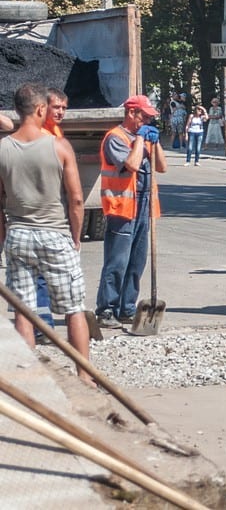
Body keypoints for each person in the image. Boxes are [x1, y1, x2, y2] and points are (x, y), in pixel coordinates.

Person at [0, 83, 92, 383]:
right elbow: (76, 199)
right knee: (73, 308)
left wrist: (4, 236)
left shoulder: (2, 148)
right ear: (41, 109)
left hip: (18, 233)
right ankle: (84, 374)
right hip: (54, 233)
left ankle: (29, 375)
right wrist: (75, 237)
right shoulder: (59, 147)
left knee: (23, 309)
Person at [94, 95, 167, 328]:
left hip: (143, 207)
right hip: (122, 209)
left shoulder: (143, 138)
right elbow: (132, 165)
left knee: (136, 262)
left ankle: (126, 307)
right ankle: (106, 309)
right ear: (131, 113)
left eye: (149, 118)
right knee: (117, 262)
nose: (147, 121)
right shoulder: (115, 138)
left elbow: (162, 167)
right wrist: (139, 140)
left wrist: (155, 143)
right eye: (144, 116)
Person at [33, 87, 69, 342]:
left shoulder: (55, 133)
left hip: (53, 211)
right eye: (56, 107)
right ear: (42, 108)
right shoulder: (37, 137)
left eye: (64, 108)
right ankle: (42, 327)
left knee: (47, 274)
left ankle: (42, 325)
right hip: (39, 215)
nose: (60, 112)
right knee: (39, 275)